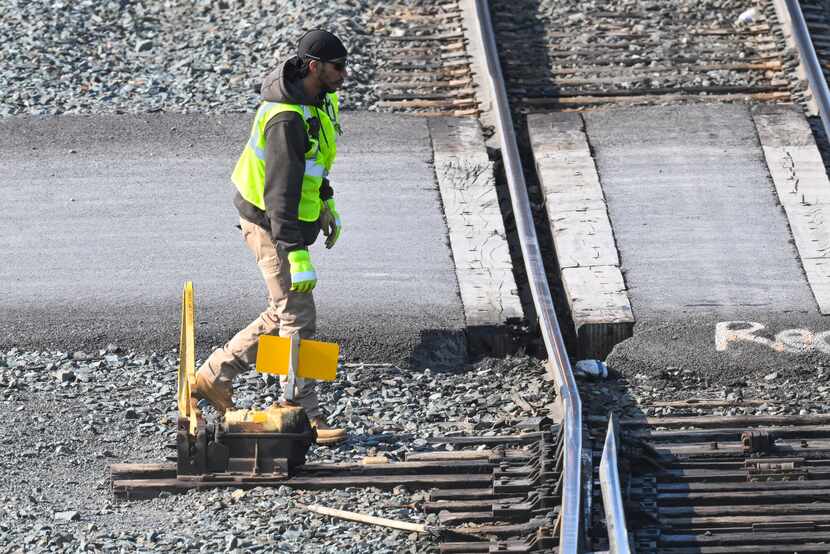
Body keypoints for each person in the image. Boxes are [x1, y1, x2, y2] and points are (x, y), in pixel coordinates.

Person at [192, 29, 348, 445]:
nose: (344, 75)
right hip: (269, 222)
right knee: (299, 315)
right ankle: (300, 412)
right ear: (314, 67)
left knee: (282, 312)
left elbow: (316, 163)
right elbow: (280, 193)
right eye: (337, 67)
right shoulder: (286, 119)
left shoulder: (321, 100)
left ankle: (213, 377)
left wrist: (326, 203)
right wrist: (295, 252)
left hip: (287, 219)